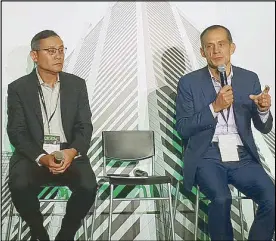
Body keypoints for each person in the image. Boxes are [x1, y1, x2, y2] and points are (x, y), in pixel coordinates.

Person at [175, 25, 275, 240]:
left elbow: (263, 127)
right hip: (207, 156)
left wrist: (263, 110)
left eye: (221, 44)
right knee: (221, 199)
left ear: (232, 47)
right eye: (209, 46)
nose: (216, 50)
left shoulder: (249, 79)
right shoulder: (189, 83)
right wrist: (214, 107)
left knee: (272, 198)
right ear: (202, 52)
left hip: (242, 157)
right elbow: (183, 127)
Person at [7, 30, 97, 241]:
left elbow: (85, 127)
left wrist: (72, 152)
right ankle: (39, 233)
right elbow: (17, 132)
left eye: (61, 50)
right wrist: (42, 157)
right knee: (19, 183)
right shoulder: (18, 88)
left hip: (67, 150)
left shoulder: (77, 85)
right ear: (35, 56)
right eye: (51, 51)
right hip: (33, 153)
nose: (58, 56)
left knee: (88, 185)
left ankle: (65, 235)